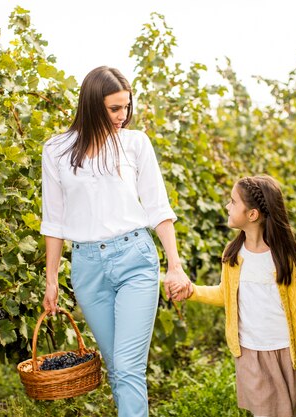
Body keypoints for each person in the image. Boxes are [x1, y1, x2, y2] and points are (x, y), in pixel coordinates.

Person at [40, 66, 192, 417]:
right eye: (114, 109)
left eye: (126, 107)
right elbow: (54, 221)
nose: (122, 116)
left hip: (134, 259)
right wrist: (51, 281)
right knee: (116, 367)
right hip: (87, 267)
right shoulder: (57, 150)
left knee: (127, 367)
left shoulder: (135, 143)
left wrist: (175, 264)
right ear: (92, 106)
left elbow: (158, 207)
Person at [171, 175, 296, 417]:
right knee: (265, 413)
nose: (227, 206)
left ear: (252, 214)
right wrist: (193, 290)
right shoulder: (233, 255)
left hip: (288, 352)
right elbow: (226, 295)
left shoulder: (286, 259)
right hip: (251, 353)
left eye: (233, 202)